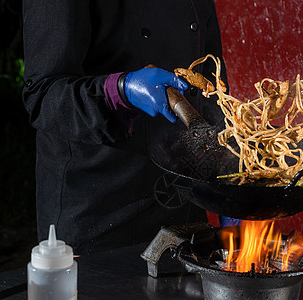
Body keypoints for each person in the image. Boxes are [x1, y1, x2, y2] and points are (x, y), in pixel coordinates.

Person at [22, 0, 227, 254]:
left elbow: (211, 85)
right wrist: (120, 91)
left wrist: (226, 187)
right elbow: (43, 97)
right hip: (97, 206)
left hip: (181, 200)